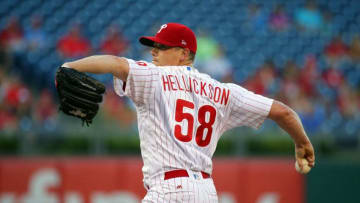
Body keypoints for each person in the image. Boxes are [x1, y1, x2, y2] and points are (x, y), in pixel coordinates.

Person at [61, 23, 315, 202]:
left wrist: (69, 65)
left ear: (184, 54)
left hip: (169, 189)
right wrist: (302, 143)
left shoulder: (154, 77)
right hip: (206, 192)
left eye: (161, 47)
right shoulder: (224, 92)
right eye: (154, 46)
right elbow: (284, 112)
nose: (153, 52)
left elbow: (115, 63)